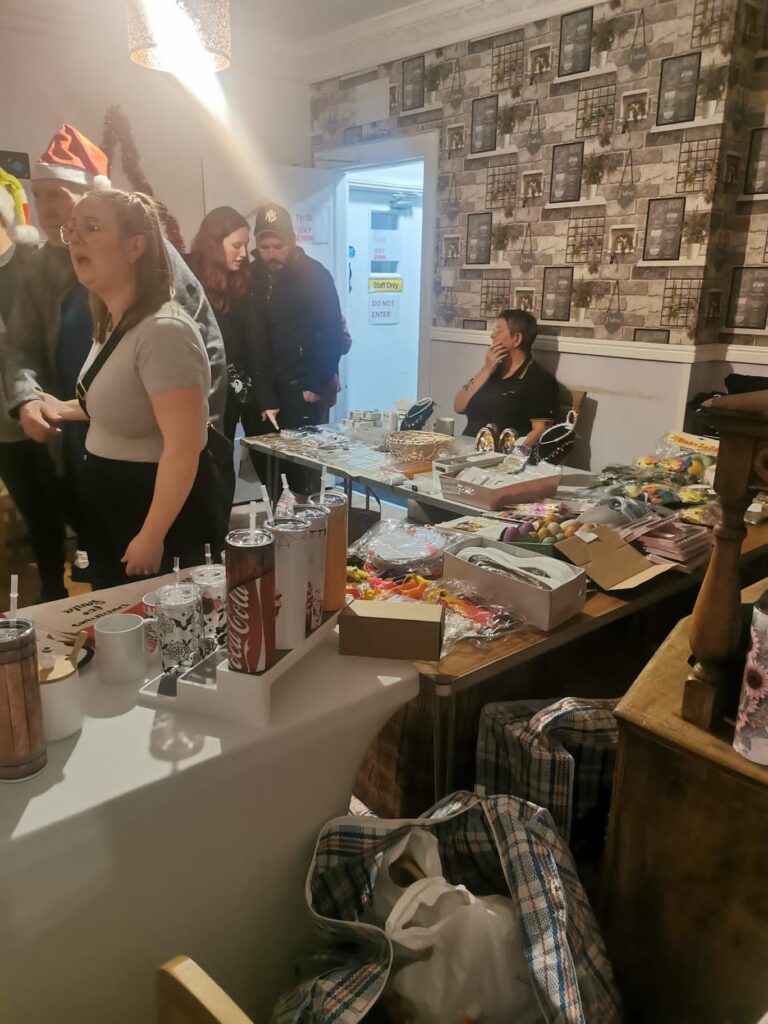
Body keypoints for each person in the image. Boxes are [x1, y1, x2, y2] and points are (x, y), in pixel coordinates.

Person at [0, 123, 227, 595]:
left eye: (60, 197)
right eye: (37, 197)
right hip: (86, 444)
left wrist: (191, 437)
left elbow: (195, 361)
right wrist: (36, 401)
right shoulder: (62, 280)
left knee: (157, 603)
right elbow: (22, 346)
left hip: (152, 468)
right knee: (111, 592)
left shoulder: (156, 297)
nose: (49, 213)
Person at [250, 201, 345, 491]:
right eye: (264, 246)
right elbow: (253, 339)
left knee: (304, 477)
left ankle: (309, 530)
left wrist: (315, 386)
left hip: (302, 390)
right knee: (267, 472)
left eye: (277, 245)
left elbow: (332, 334)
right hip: (266, 391)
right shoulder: (252, 275)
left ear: (292, 240)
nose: (271, 254)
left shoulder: (315, 276)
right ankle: (279, 529)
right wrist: (264, 394)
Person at [187, 205, 265, 442]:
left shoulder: (243, 281)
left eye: (245, 245)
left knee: (226, 459)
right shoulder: (190, 282)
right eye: (236, 246)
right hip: (199, 392)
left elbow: (253, 342)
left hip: (236, 391)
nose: (244, 254)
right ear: (214, 245)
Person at [454, 309, 559, 447]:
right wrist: (486, 370)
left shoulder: (540, 379)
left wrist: (512, 458)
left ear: (516, 339)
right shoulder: (492, 369)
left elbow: (540, 430)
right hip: (468, 449)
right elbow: (458, 407)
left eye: (498, 331)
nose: (492, 335)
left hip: (501, 458)